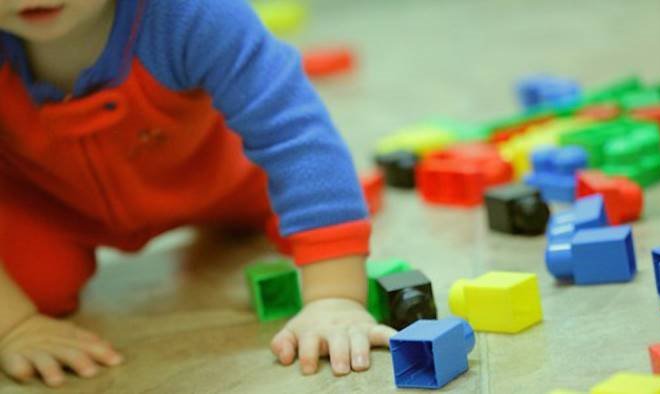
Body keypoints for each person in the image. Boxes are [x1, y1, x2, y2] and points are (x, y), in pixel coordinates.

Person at [0, 0, 395, 387]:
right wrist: (14, 326)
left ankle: (337, 204)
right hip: (50, 205)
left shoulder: (192, 13)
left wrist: (334, 297)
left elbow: (291, 130)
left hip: (229, 178)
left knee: (315, 190)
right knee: (37, 292)